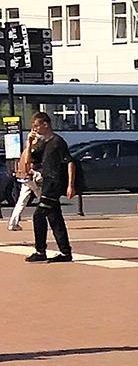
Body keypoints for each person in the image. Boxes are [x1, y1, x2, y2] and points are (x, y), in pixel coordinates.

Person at [22, 112, 73, 263]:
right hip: (46, 182)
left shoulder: (58, 141)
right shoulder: (43, 143)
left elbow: (70, 162)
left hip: (55, 183)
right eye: (33, 126)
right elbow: (27, 161)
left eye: (36, 125)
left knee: (38, 215)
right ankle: (65, 252)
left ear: (46, 125)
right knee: (54, 218)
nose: (35, 129)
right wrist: (29, 143)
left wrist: (70, 185)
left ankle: (40, 251)